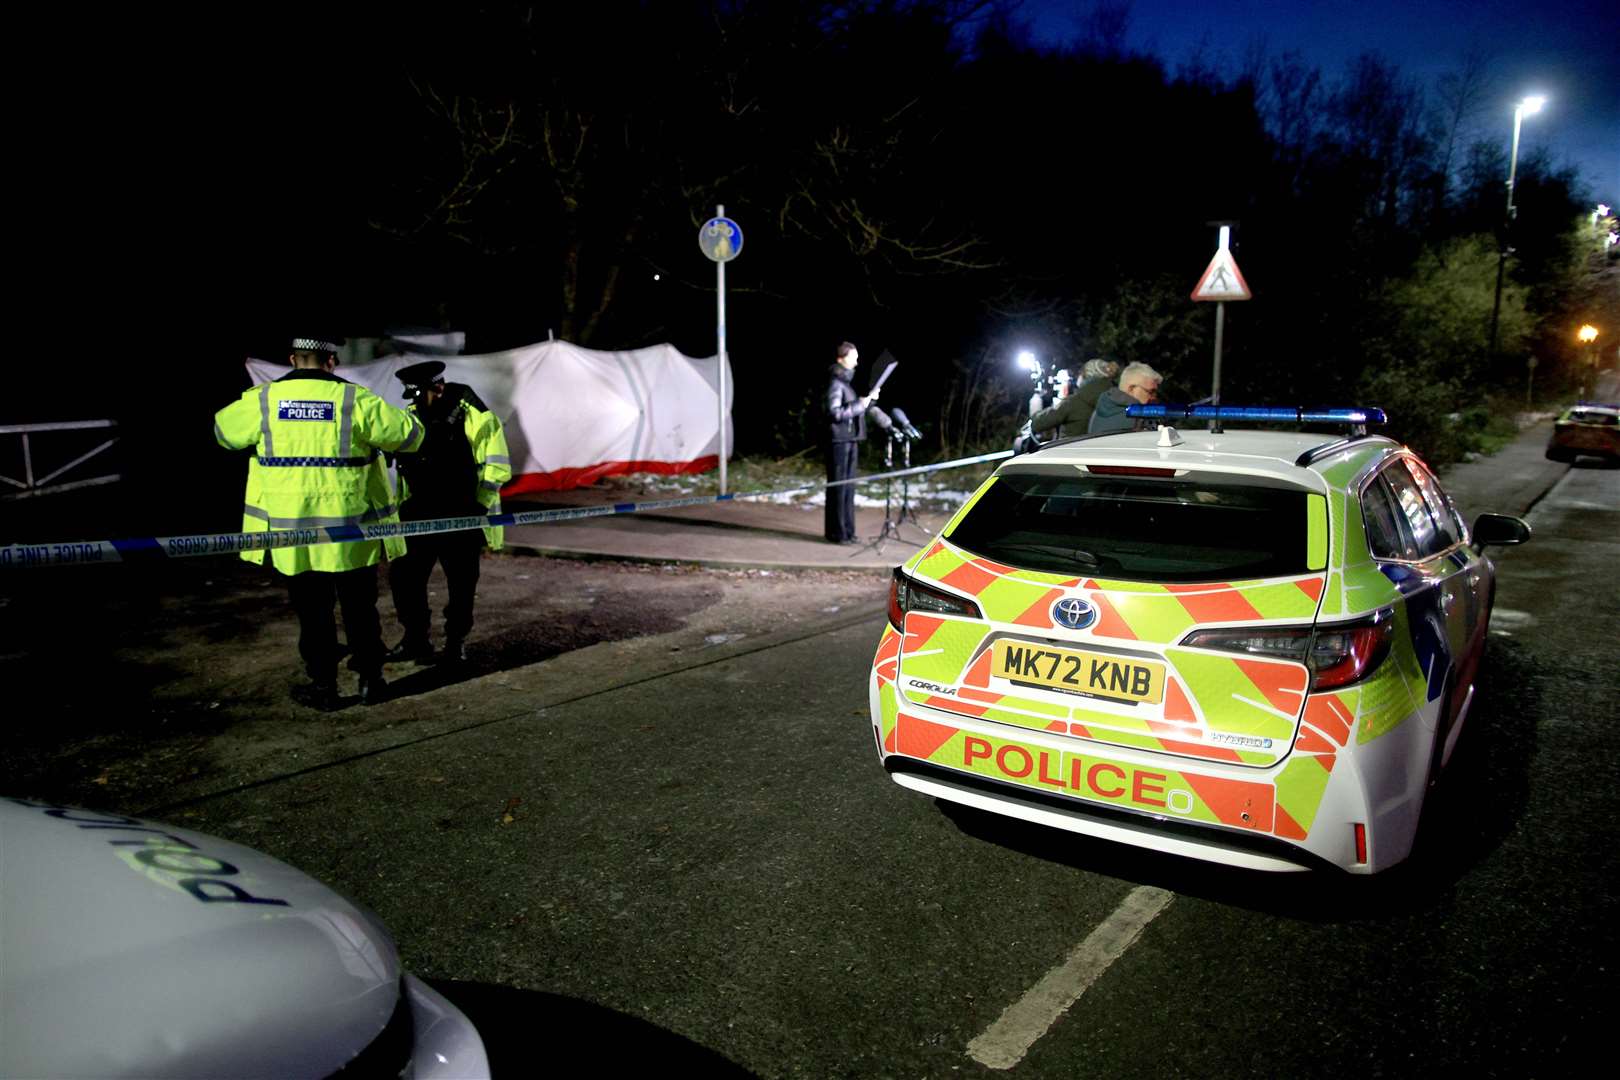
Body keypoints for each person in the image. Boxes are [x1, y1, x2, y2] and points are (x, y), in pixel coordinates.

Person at [214, 336, 425, 709]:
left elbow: (224, 435)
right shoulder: (355, 400)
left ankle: (324, 688)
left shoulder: (263, 400)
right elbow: (410, 437)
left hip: (293, 535)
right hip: (351, 534)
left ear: (293, 360)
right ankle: (371, 682)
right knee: (360, 609)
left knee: (313, 613)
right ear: (332, 362)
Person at [385, 360, 512, 665]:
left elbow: (497, 464)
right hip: (418, 512)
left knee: (462, 583)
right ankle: (415, 639)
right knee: (404, 578)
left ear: (438, 387)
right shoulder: (411, 416)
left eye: (419, 394)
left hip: (462, 511)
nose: (414, 402)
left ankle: (456, 642)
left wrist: (478, 506)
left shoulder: (474, 415)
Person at [824, 341, 880, 544]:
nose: (856, 361)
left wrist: (868, 400)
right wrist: (860, 404)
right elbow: (835, 413)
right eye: (853, 357)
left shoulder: (845, 382)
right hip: (839, 441)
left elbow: (852, 407)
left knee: (848, 488)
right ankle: (838, 533)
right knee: (839, 488)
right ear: (841, 359)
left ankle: (847, 531)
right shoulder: (835, 383)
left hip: (849, 440)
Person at [1030, 358, 1120, 438]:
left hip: (1070, 454)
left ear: (1086, 376)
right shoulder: (1118, 399)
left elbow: (1038, 424)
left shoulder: (1074, 402)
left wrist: (1036, 405)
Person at [1088, 362, 1164, 434]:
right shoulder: (1139, 419)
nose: (1154, 397)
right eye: (1151, 391)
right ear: (1131, 389)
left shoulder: (1098, 412)